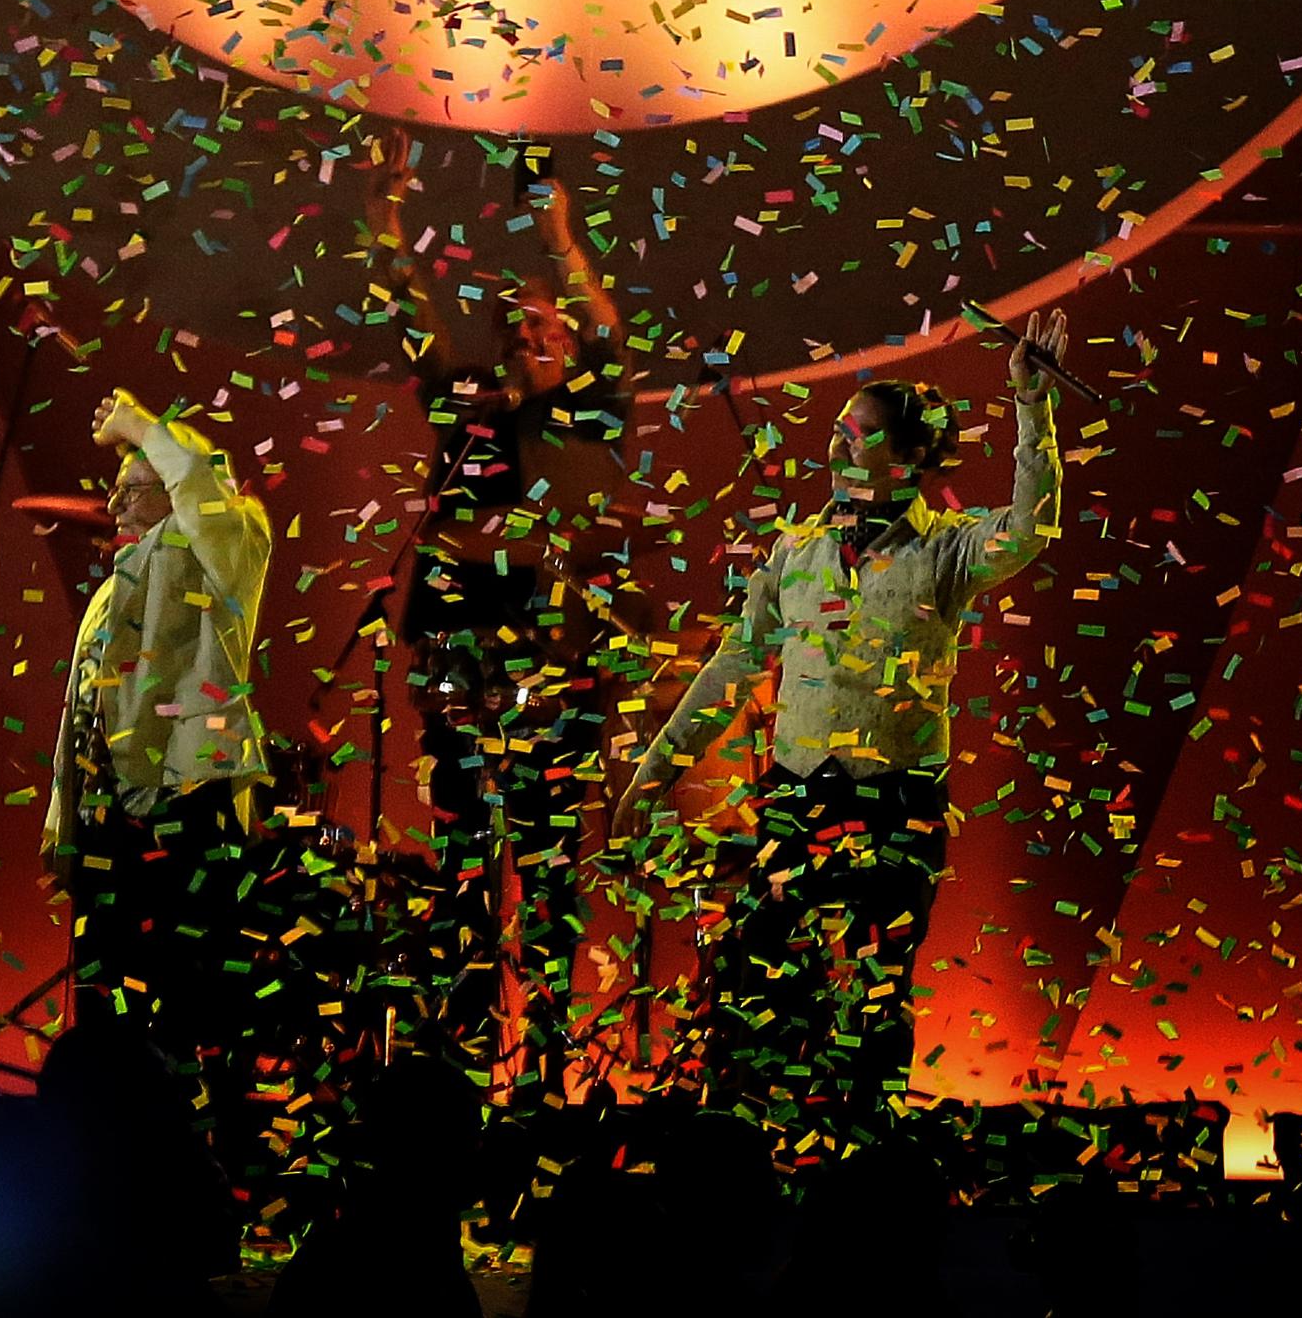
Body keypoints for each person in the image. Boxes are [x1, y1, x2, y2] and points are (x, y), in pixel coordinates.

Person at [610, 310, 1071, 1133]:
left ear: (913, 459)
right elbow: (732, 668)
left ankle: (860, 1158)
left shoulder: (947, 552)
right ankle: (745, 1147)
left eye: (857, 439)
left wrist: (1033, 412)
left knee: (877, 986)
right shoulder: (795, 552)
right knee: (761, 980)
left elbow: (1032, 529)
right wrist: (653, 774)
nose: (835, 450)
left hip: (897, 804)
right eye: (835, 433)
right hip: (799, 796)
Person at [403, 290, 632, 1094]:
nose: (533, 335)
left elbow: (543, 539)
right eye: (522, 326)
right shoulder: (473, 416)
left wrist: (564, 236)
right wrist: (387, 229)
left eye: (549, 327)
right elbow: (420, 348)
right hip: (459, 676)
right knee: (462, 866)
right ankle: (457, 1058)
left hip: (550, 676)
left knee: (547, 870)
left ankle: (543, 1060)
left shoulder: (582, 419)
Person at [45, 390, 271, 1162]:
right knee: (104, 998)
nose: (112, 499)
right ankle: (102, 1162)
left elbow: (201, 499)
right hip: (113, 814)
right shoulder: (114, 587)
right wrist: (62, 821)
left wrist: (147, 427)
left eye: (132, 483)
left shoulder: (231, 537)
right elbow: (80, 711)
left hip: (186, 800)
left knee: (181, 1002)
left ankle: (193, 1168)